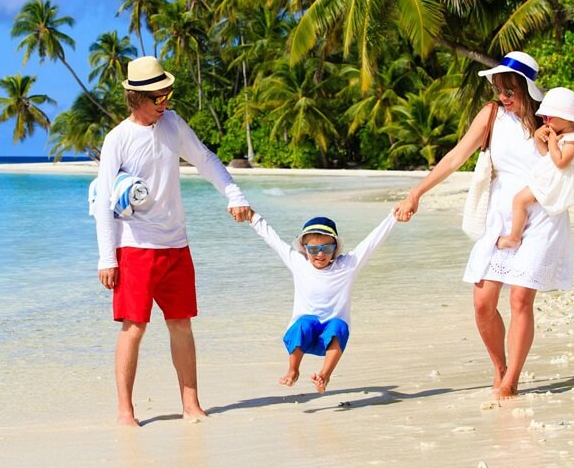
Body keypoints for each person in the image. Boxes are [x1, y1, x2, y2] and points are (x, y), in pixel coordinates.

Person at [393, 51, 574, 399]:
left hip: (542, 212)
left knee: (520, 297)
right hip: (501, 213)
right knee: (482, 303)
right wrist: (416, 193)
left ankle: (510, 382)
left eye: (510, 91)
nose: (503, 97)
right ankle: (500, 366)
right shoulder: (491, 114)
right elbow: (455, 157)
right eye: (498, 89)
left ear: (526, 88)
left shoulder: (548, 118)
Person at [94, 56, 252, 427]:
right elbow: (103, 201)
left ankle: (191, 404)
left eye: (168, 94)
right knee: (134, 328)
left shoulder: (173, 124)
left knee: (181, 324)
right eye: (158, 97)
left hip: (176, 245)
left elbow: (205, 160)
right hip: (134, 247)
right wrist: (107, 258)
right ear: (136, 98)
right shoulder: (117, 139)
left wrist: (234, 194)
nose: (164, 102)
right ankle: (125, 411)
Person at [249, 212, 398, 393]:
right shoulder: (298, 263)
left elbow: (373, 241)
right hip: (303, 338)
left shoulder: (347, 265)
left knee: (338, 325)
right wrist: (251, 216)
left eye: (326, 249)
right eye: (313, 249)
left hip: (331, 340)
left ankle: (324, 376)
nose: (320, 254)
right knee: (304, 323)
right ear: (304, 248)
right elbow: (272, 239)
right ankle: (293, 370)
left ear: (335, 249)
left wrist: (395, 215)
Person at [496, 87, 574, 250]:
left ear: (566, 117)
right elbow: (547, 157)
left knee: (519, 200)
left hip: (555, 182)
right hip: (552, 177)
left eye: (548, 117)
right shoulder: (565, 137)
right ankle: (517, 235)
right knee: (519, 200)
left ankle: (514, 237)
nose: (545, 122)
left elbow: (560, 162)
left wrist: (552, 141)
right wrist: (538, 139)